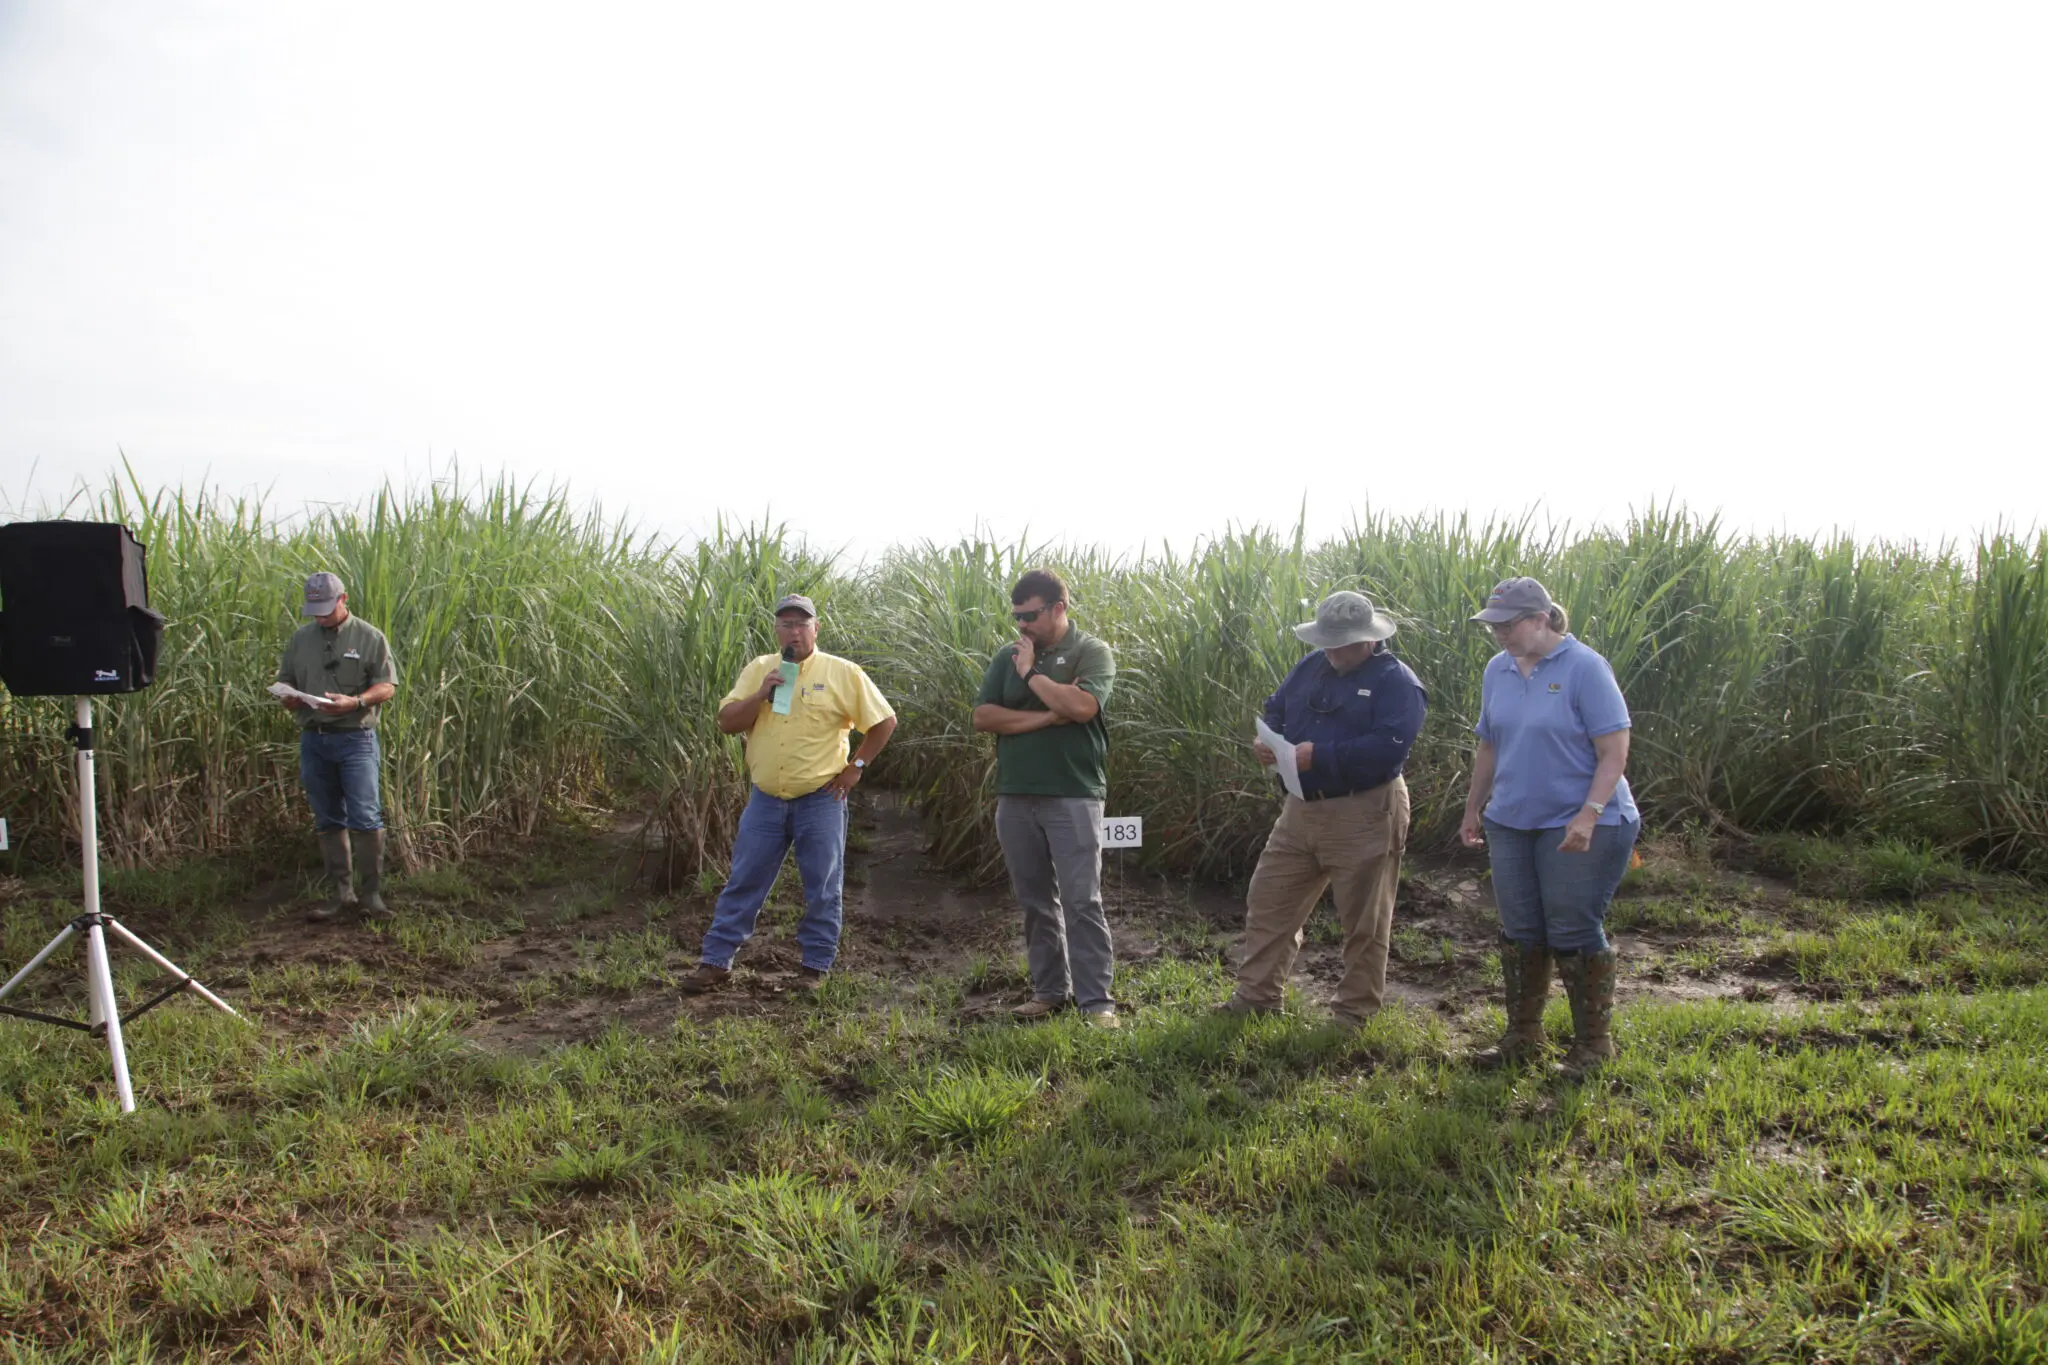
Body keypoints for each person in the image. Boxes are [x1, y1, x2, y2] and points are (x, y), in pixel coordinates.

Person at [1215, 591, 1428, 1026]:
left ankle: (1353, 1014)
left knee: (1363, 919)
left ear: (1369, 639)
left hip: (1365, 808)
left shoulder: (1396, 682)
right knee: (1270, 897)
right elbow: (1277, 708)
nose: (1332, 651)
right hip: (1300, 808)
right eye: (1326, 641)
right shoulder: (1312, 666)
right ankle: (1257, 996)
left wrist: (1322, 756)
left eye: (1341, 642)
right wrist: (1267, 740)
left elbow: (1389, 748)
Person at [1459, 576, 1640, 1078]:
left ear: (1541, 619)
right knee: (1520, 931)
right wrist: (1474, 807)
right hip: (1512, 820)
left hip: (1582, 820)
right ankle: (1523, 1035)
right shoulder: (1497, 670)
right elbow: (1490, 744)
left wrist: (1590, 814)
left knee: (1573, 927)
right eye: (1493, 625)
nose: (1499, 633)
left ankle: (1593, 1047)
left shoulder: (1584, 668)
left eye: (1509, 623)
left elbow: (1614, 752)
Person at [680, 594, 897, 996]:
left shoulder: (842, 673)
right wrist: (761, 693)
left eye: (801, 624)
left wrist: (856, 769)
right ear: (776, 629)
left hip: (820, 798)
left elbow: (884, 722)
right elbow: (727, 722)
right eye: (786, 624)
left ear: (816, 628)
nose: (793, 631)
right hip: (765, 798)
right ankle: (715, 962)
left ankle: (814, 968)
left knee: (822, 885)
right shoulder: (761, 669)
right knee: (744, 880)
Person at [972, 569, 1121, 1029]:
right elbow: (983, 717)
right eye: (1016, 616)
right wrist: (1046, 715)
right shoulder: (1006, 655)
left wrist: (1031, 675)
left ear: (1059, 608)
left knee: (1082, 901)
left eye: (1030, 616)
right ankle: (1050, 992)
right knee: (1035, 900)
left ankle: (1096, 1003)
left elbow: (1081, 709)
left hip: (1074, 794)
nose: (1021, 626)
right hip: (1016, 796)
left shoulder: (1090, 651)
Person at [276, 571, 398, 922]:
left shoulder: (369, 637)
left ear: (343, 600)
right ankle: (340, 895)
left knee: (365, 815)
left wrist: (356, 702)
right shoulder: (301, 640)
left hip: (355, 738)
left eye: (326, 608)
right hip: (314, 739)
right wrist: (289, 697)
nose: (320, 616)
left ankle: (371, 896)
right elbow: (286, 678)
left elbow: (386, 686)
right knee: (327, 816)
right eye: (314, 610)